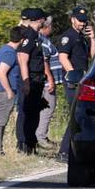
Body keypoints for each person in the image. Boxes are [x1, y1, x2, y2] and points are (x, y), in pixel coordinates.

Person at [57, 5, 95, 162]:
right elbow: (63, 57)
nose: (82, 23)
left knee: (81, 116)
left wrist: (92, 38)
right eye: (79, 21)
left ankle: (73, 150)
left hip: (82, 81)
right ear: (72, 19)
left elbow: (93, 56)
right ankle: (64, 151)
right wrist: (74, 75)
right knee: (76, 115)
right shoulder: (68, 37)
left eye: (84, 21)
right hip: (73, 82)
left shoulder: (82, 38)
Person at [16, 8, 55, 154]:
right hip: (31, 80)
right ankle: (24, 145)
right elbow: (22, 58)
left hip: (37, 80)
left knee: (33, 113)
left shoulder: (35, 35)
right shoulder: (30, 35)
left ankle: (30, 144)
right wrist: (26, 82)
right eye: (44, 19)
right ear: (40, 20)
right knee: (27, 113)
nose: (45, 21)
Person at [0, 26, 25, 155]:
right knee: (0, 122)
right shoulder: (9, 53)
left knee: (0, 121)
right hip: (2, 92)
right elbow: (1, 73)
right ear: (22, 40)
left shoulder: (5, 49)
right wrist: (9, 91)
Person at [35, 16, 62, 151]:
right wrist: (50, 79)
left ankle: (40, 137)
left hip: (47, 82)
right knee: (48, 109)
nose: (52, 29)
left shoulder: (44, 40)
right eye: (51, 26)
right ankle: (41, 138)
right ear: (47, 27)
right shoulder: (43, 42)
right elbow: (44, 61)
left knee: (46, 109)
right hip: (46, 83)